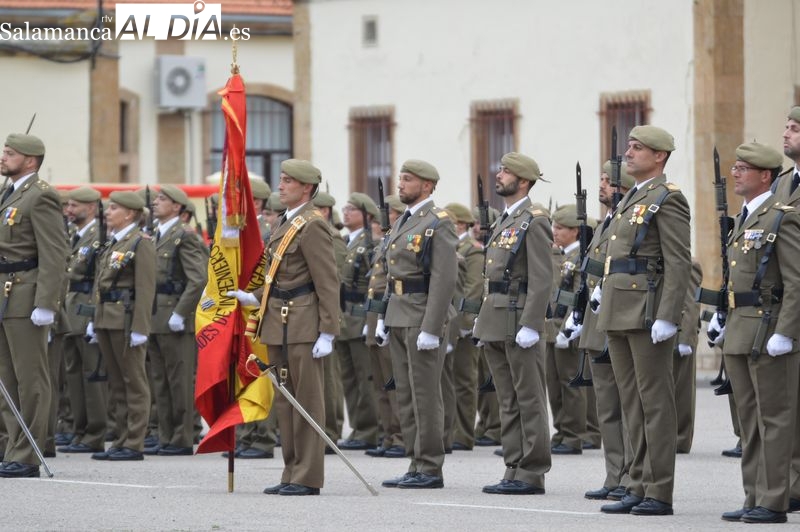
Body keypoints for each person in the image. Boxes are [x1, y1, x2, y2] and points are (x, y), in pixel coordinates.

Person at [595, 125, 691, 516]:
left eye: (638, 148)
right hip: (619, 308)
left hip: (647, 311)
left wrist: (669, 315)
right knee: (631, 402)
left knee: (655, 403)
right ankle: (636, 482)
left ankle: (659, 490)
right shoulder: (630, 199)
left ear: (660, 157)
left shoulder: (667, 199)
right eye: (629, 146)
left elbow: (678, 261)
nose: (628, 153)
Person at [229, 159, 340, 496]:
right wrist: (253, 297)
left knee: (306, 400)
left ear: (306, 188)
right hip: (278, 321)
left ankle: (308, 476)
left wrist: (328, 331)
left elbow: (327, 281)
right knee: (286, 402)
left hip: (304, 323)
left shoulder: (312, 225)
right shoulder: (285, 222)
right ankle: (291, 471)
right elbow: (278, 278)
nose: (281, 185)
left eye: (289, 181)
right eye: (281, 179)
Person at [709, 142, 800, 523]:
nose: (735, 173)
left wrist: (788, 331)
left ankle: (774, 500)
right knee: (748, 419)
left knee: (774, 418)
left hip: (769, 329)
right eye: (735, 166)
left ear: (766, 176)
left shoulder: (782, 218)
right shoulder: (742, 219)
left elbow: (796, 281)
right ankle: (754, 495)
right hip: (741, 329)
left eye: (744, 168)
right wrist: (721, 315)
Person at [473, 152, 553, 495]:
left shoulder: (533, 220)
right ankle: (514, 465)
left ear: (523, 181)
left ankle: (532, 471)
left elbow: (542, 277)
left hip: (519, 319)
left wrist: (532, 323)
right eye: (500, 168)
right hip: (496, 318)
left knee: (528, 397)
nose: (499, 174)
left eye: (506, 171)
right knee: (507, 398)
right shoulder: (506, 219)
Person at [378, 159, 457, 489]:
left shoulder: (438, 222)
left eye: (408, 179)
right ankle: (415, 461)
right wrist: (384, 315)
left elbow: (444, 278)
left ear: (426, 186)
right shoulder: (404, 222)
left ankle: (429, 467)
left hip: (422, 315)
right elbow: (393, 274)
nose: (401, 184)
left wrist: (431, 326)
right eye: (401, 178)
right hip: (399, 314)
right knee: (407, 395)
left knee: (425, 395)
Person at [0, 133, 68, 477]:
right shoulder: (8, 194)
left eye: (9, 153)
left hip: (26, 296)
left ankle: (26, 454)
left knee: (30, 379)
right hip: (4, 294)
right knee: (6, 379)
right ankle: (10, 445)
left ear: (29, 160)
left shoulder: (41, 197)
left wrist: (47, 302)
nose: (2, 157)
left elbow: (55, 253)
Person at [576, 160, 634, 501]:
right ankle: (614, 475)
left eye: (606, 179)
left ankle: (631, 476)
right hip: (597, 321)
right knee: (607, 407)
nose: (600, 185)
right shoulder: (604, 223)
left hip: (619, 317)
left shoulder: (626, 221)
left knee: (628, 406)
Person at [89, 191, 155, 462]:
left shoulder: (141, 243)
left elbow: (145, 288)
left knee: (134, 382)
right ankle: (120, 438)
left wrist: (141, 327)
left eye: (114, 208)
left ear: (129, 213)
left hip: (126, 321)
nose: (108, 212)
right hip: (107, 318)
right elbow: (99, 283)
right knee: (116, 383)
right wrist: (94, 319)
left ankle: (134, 442)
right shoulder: (113, 242)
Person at [144, 185, 208, 456]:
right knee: (159, 379)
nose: (156, 203)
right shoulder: (156, 236)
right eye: (157, 198)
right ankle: (166, 435)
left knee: (179, 380)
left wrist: (181, 313)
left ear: (178, 208)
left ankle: (182, 437)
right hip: (155, 316)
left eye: (163, 199)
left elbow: (198, 279)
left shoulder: (184, 236)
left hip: (175, 318)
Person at [59, 186, 108, 454]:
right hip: (70, 309)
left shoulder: (97, 237)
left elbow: (94, 276)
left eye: (75, 205)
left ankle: (95, 432)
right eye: (68, 205)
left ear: (91, 208)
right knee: (73, 375)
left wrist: (94, 315)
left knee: (92, 375)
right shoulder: (73, 235)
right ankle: (79, 430)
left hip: (86, 309)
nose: (69, 210)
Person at [336, 192, 381, 450]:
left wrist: (371, 320)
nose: (346, 212)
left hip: (360, 315)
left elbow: (374, 284)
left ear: (367, 215)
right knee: (349, 378)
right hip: (344, 317)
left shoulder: (371, 243)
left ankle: (369, 430)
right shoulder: (345, 242)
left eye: (352, 209)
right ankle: (356, 427)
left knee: (366, 378)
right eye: (346, 207)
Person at [364, 194, 405, 458]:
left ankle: (401, 437)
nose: (381, 218)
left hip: (391, 312)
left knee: (394, 382)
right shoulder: (385, 241)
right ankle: (388, 435)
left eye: (388, 213)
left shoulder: (398, 241)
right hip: (376, 313)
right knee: (380, 384)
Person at [546, 204, 589, 455]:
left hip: (568, 329)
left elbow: (577, 295)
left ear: (575, 231)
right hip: (553, 327)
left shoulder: (579, 258)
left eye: (560, 228)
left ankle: (573, 435)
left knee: (570, 384)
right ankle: (561, 430)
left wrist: (568, 326)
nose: (555, 232)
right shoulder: (563, 257)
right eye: (554, 226)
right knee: (554, 383)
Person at [442, 202, 483, 451]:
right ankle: (451, 429)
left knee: (465, 380)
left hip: (463, 325)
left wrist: (466, 323)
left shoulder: (472, 251)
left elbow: (473, 289)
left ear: (459, 224)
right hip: (448, 321)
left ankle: (464, 433)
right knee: (448, 380)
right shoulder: (448, 246)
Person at [775, 105, 800, 513]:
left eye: (795, 128)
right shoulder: (782, 184)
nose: (787, 133)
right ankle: (792, 484)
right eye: (788, 126)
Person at [674, 260, 702, 454]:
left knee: (681, 391)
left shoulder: (688, 264)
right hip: (658, 333)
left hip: (680, 333)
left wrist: (686, 337)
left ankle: (681, 438)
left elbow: (691, 301)